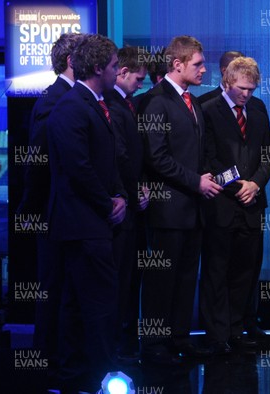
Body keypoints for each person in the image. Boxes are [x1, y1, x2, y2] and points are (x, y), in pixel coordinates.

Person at [47, 34, 126, 389]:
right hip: (82, 223)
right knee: (92, 304)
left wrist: (120, 194)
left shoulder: (93, 102)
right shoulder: (71, 107)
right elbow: (78, 167)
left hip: (92, 222)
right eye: (113, 67)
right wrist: (108, 202)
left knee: (83, 303)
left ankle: (81, 374)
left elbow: (109, 160)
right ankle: (95, 373)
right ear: (98, 68)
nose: (117, 72)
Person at [138, 35, 222, 365]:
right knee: (161, 280)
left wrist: (206, 177)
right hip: (167, 209)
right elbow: (156, 157)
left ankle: (179, 337)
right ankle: (154, 345)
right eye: (198, 64)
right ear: (178, 64)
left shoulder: (193, 101)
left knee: (187, 277)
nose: (204, 70)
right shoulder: (155, 101)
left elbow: (195, 152)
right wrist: (196, 182)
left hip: (193, 208)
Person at [16, 32, 83, 367]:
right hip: (54, 212)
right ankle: (45, 367)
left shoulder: (77, 97)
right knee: (53, 289)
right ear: (73, 61)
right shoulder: (53, 99)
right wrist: (31, 207)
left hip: (72, 213)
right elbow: (37, 160)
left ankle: (65, 363)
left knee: (69, 290)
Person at [200, 56, 270, 355]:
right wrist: (237, 183)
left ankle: (236, 329)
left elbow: (268, 154)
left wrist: (255, 183)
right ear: (228, 82)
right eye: (242, 88)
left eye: (252, 89)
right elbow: (208, 159)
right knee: (217, 272)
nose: (247, 94)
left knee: (244, 273)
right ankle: (217, 335)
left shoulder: (257, 109)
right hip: (222, 206)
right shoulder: (207, 109)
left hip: (252, 205)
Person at [104, 46, 149, 358]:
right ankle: (116, 345)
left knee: (129, 279)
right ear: (121, 73)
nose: (141, 84)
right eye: (138, 78)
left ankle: (123, 341)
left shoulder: (128, 105)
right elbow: (119, 159)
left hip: (133, 205)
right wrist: (132, 194)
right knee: (119, 281)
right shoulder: (111, 107)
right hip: (122, 208)